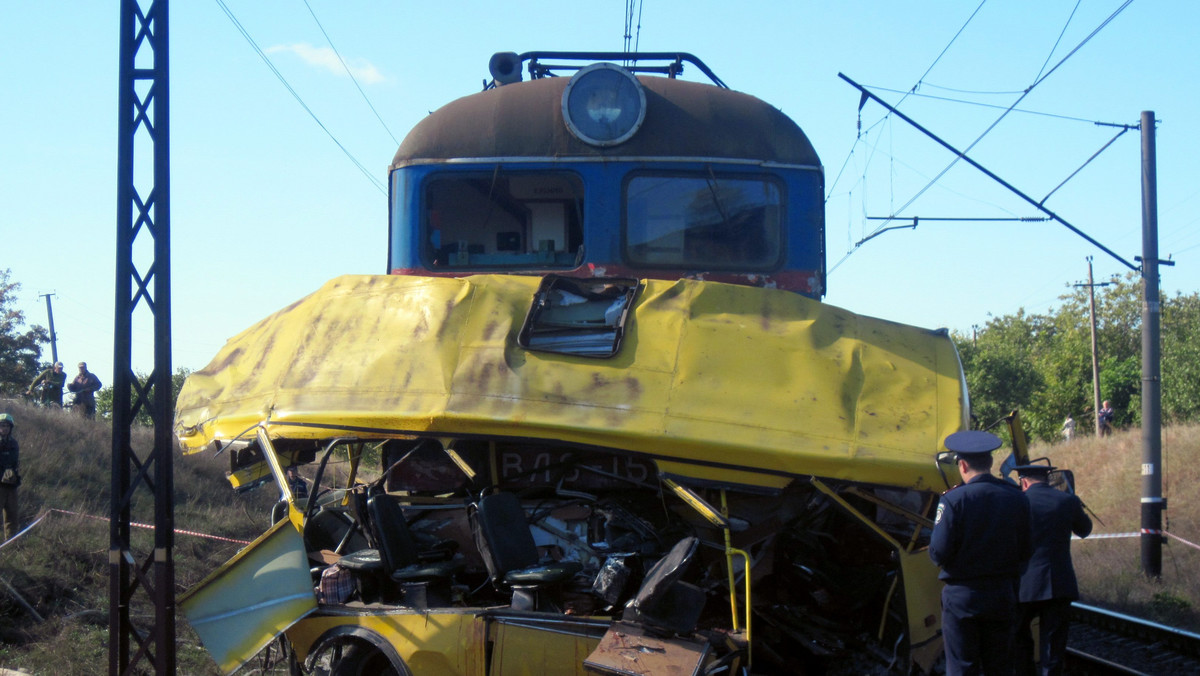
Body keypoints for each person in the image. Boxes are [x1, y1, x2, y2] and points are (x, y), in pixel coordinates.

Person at [930, 430, 1032, 676]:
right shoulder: (1017, 498)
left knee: (962, 667)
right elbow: (1027, 550)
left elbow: (938, 553)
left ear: (962, 465)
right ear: (990, 463)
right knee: (1001, 666)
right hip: (1002, 594)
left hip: (962, 598)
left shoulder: (953, 500)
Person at [1013, 463, 1093, 676]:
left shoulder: (1016, 502)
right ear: (1046, 479)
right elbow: (1085, 530)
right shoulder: (1067, 501)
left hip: (1023, 585)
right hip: (1058, 583)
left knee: (1019, 637)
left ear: (1024, 481)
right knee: (1054, 644)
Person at [0, 413, 20, 541]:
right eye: (2, 425)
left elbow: (15, 462)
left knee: (12, 517)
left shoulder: (14, 443)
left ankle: (10, 546)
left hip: (11, 484)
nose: (4, 428)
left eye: (7, 425)